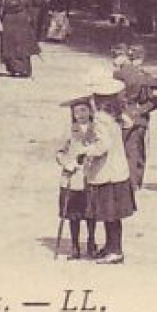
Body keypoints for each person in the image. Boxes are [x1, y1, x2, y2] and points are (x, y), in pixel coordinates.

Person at [74, 72, 136, 265]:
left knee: (110, 213)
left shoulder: (100, 118)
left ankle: (115, 251)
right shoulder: (116, 115)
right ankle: (111, 247)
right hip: (119, 170)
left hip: (107, 172)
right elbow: (129, 123)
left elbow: (103, 145)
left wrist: (85, 151)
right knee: (114, 215)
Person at [114, 44, 157, 192]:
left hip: (122, 114)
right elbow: (154, 101)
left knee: (124, 149)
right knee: (138, 150)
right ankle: (136, 182)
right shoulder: (147, 77)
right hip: (140, 117)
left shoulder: (119, 74)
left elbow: (114, 97)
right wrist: (140, 111)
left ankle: (125, 183)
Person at [55, 97, 96, 258]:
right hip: (72, 178)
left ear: (90, 111)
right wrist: (67, 163)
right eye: (77, 111)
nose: (81, 114)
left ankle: (91, 243)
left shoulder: (96, 129)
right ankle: (74, 246)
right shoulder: (69, 130)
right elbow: (60, 152)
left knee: (91, 213)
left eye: (84, 110)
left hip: (90, 176)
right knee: (73, 215)